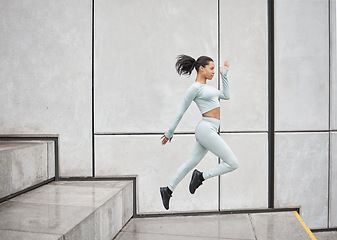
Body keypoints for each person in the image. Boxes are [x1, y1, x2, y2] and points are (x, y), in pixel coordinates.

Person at [160, 55, 238, 210]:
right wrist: (169, 132)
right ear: (201, 68)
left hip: (210, 129)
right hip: (206, 129)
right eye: (211, 68)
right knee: (232, 163)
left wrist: (224, 76)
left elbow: (226, 96)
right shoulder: (195, 88)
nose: (213, 72)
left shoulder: (209, 88)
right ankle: (201, 176)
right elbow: (181, 112)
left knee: (190, 163)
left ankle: (168, 190)